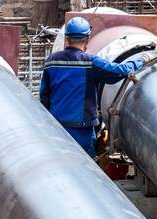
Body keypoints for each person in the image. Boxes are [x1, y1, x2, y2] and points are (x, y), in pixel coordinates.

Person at [39, 16, 141, 158]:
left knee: (60, 162)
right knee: (86, 167)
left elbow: (44, 96)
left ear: (66, 39)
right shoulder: (90, 62)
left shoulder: (51, 61)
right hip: (82, 129)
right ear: (87, 39)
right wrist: (142, 60)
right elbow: (119, 71)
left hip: (57, 127)